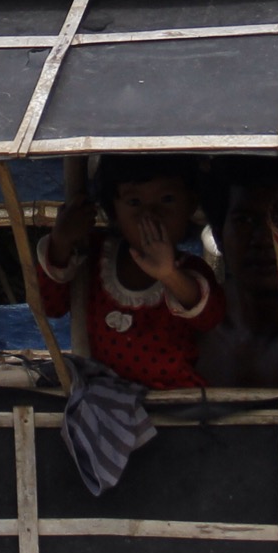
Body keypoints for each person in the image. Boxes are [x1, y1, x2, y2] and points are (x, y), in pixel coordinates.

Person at [30, 159, 225, 390]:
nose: (150, 215)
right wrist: (61, 241)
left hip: (174, 402)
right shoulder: (93, 255)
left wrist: (169, 274)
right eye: (134, 202)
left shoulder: (192, 271)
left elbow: (210, 318)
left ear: (190, 204)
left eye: (167, 199)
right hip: (103, 401)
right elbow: (49, 306)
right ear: (114, 210)